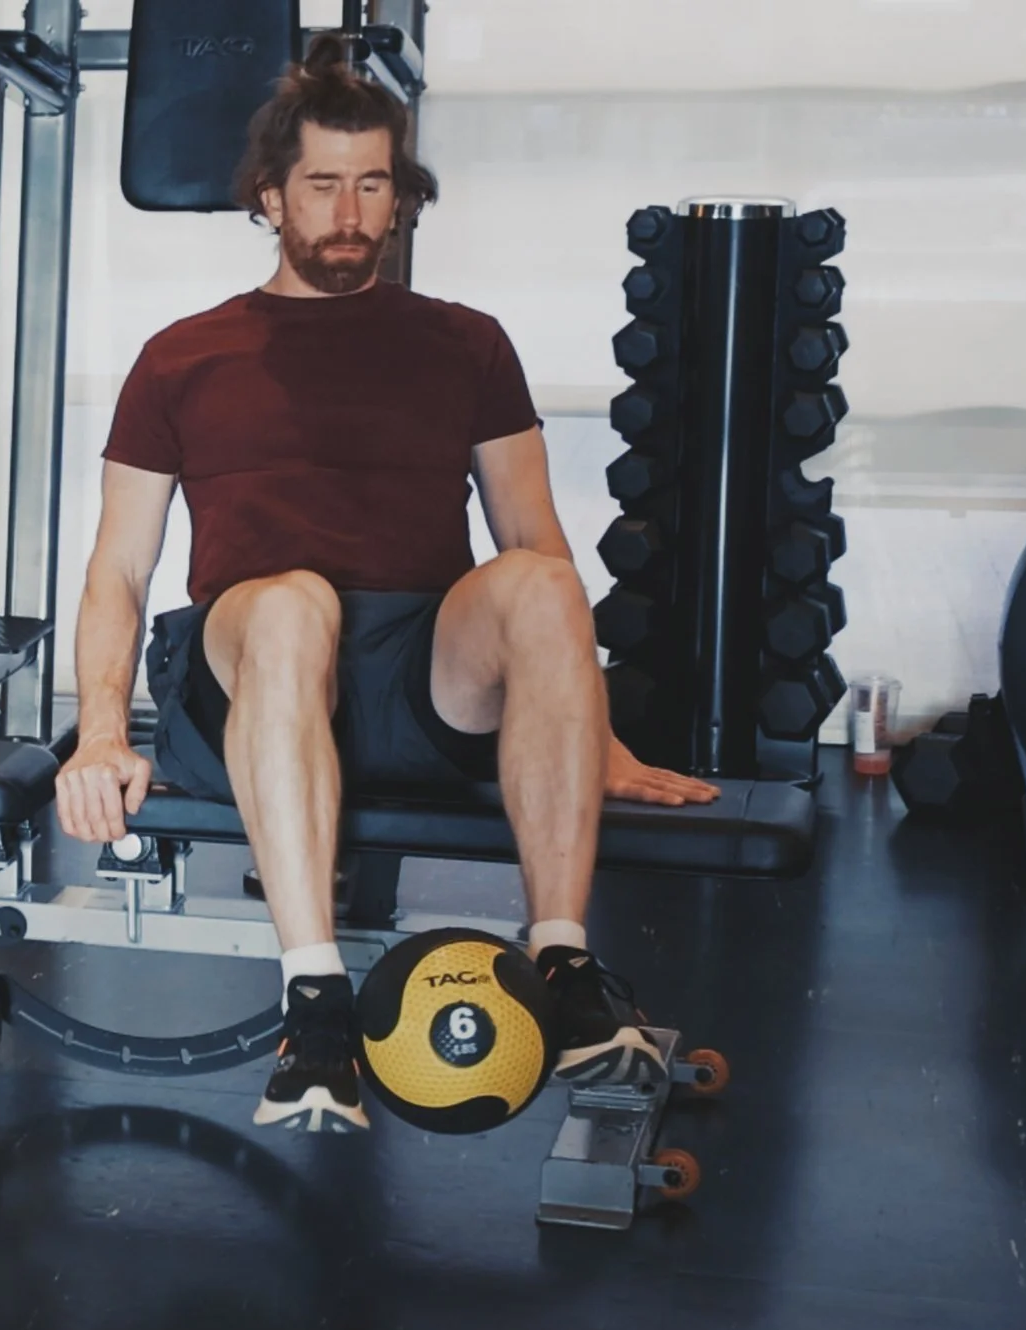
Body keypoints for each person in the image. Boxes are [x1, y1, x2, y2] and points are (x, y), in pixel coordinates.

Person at [53, 38, 721, 1134]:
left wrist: (590, 731)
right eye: (322, 185)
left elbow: (531, 542)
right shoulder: (182, 356)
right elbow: (117, 569)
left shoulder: (464, 345)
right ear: (269, 198)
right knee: (289, 602)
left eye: (374, 184)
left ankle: (561, 960)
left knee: (543, 581)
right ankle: (312, 1003)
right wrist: (95, 733)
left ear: (402, 198)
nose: (350, 211)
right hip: (247, 665)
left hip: (422, 677)